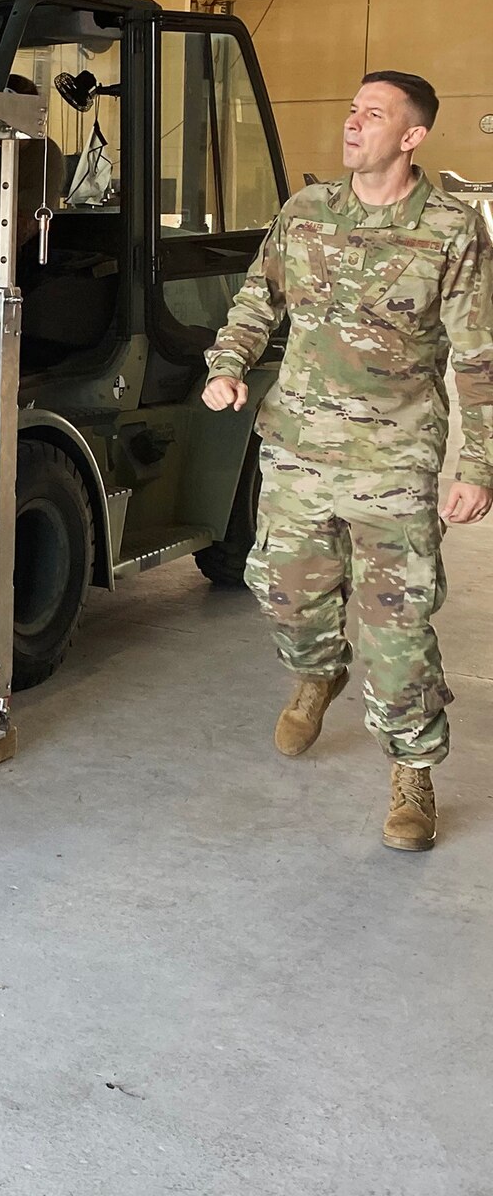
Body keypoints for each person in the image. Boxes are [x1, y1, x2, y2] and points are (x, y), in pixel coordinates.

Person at [203, 70, 492, 851]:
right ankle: (318, 672)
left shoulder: (452, 229)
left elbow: (477, 353)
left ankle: (413, 773)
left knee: (398, 629)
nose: (352, 122)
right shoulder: (304, 213)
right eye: (351, 108)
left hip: (393, 462)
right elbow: (258, 300)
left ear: (412, 136)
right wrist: (228, 363)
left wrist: (480, 466)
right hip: (296, 450)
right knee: (284, 599)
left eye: (373, 113)